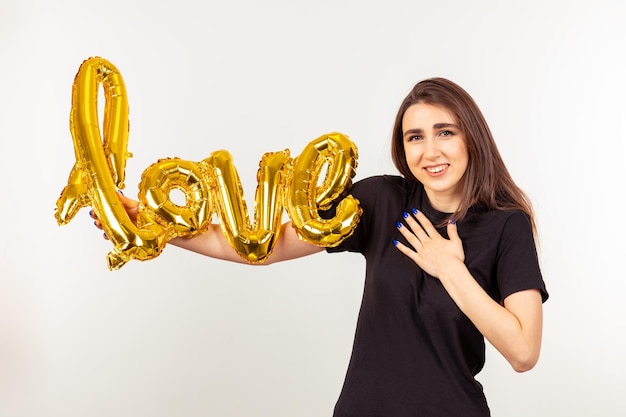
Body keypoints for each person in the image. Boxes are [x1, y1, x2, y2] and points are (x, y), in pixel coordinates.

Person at [92, 77, 548, 416]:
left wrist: (450, 270)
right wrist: (156, 225)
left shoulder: (506, 227)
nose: (430, 150)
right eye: (416, 137)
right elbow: (265, 247)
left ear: (471, 136)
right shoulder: (383, 200)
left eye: (445, 132)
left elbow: (524, 352)